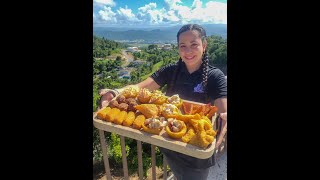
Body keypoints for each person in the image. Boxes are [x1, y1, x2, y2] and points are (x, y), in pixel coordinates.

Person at [99, 24, 227, 180]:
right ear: (178, 48)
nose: (188, 51)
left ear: (204, 45)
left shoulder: (216, 76)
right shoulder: (170, 70)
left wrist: (221, 131)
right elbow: (140, 87)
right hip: (169, 143)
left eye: (194, 45)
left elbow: (222, 113)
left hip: (196, 152)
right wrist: (115, 92)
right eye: (183, 46)